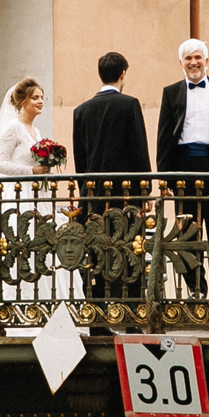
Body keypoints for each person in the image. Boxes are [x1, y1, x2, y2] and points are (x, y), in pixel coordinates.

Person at [154, 38, 209, 295]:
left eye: (197, 57)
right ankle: (196, 289)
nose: (193, 62)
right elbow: (164, 136)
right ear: (181, 63)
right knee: (187, 233)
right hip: (183, 168)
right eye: (188, 58)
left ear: (206, 61)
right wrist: (165, 177)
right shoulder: (171, 92)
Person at [70, 52, 152, 300]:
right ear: (122, 74)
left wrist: (85, 192)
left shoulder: (81, 111)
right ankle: (131, 308)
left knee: (96, 253)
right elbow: (139, 150)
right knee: (130, 251)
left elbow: (80, 159)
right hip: (126, 195)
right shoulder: (130, 104)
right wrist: (145, 190)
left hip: (93, 195)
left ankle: (97, 308)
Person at [0, 77, 50, 177]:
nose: (40, 101)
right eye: (35, 98)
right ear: (23, 102)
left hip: (35, 185)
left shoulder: (36, 131)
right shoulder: (13, 128)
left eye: (42, 97)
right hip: (19, 185)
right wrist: (32, 170)